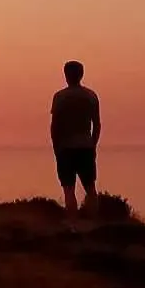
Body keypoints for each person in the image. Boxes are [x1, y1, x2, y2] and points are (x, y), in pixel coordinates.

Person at [50, 60, 101, 218]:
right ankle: (94, 221)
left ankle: (73, 222)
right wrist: (93, 144)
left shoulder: (60, 97)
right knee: (90, 187)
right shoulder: (91, 96)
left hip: (65, 148)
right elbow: (97, 124)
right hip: (85, 146)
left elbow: (55, 126)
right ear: (81, 74)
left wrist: (56, 147)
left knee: (68, 188)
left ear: (66, 75)